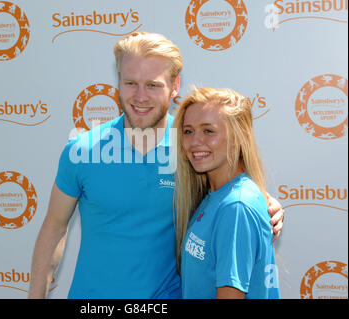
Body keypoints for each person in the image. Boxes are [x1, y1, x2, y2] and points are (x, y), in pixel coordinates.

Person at [28, 32, 284, 299]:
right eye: (130, 83)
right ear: (118, 82)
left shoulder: (193, 146)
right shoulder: (82, 151)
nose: (140, 96)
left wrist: (267, 204)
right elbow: (55, 227)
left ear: (175, 87)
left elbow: (232, 191)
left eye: (153, 85)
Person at [174, 87, 281, 299]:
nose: (195, 141)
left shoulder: (236, 207)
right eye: (188, 131)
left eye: (208, 131)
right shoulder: (215, 196)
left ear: (239, 136)